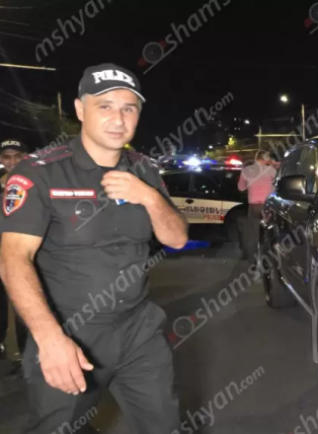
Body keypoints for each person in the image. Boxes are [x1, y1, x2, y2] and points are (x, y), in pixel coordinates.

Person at [0, 64, 188, 434]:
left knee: (165, 426)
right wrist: (50, 338)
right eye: (105, 106)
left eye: (129, 108)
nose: (118, 119)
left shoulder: (145, 170)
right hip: (70, 330)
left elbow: (177, 238)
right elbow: (13, 259)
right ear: (80, 109)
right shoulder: (40, 171)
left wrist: (149, 197)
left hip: (139, 330)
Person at [0, 138, 29, 370]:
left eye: (17, 156)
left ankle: (27, 357)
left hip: (26, 255)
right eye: (7, 157)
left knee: (25, 305)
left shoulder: (36, 181)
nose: (12, 161)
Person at [238, 150, 278, 259]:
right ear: (266, 159)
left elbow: (241, 188)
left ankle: (253, 258)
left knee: (253, 233)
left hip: (254, 206)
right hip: (268, 205)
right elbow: (278, 186)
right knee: (270, 232)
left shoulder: (246, 170)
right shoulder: (271, 170)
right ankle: (269, 257)